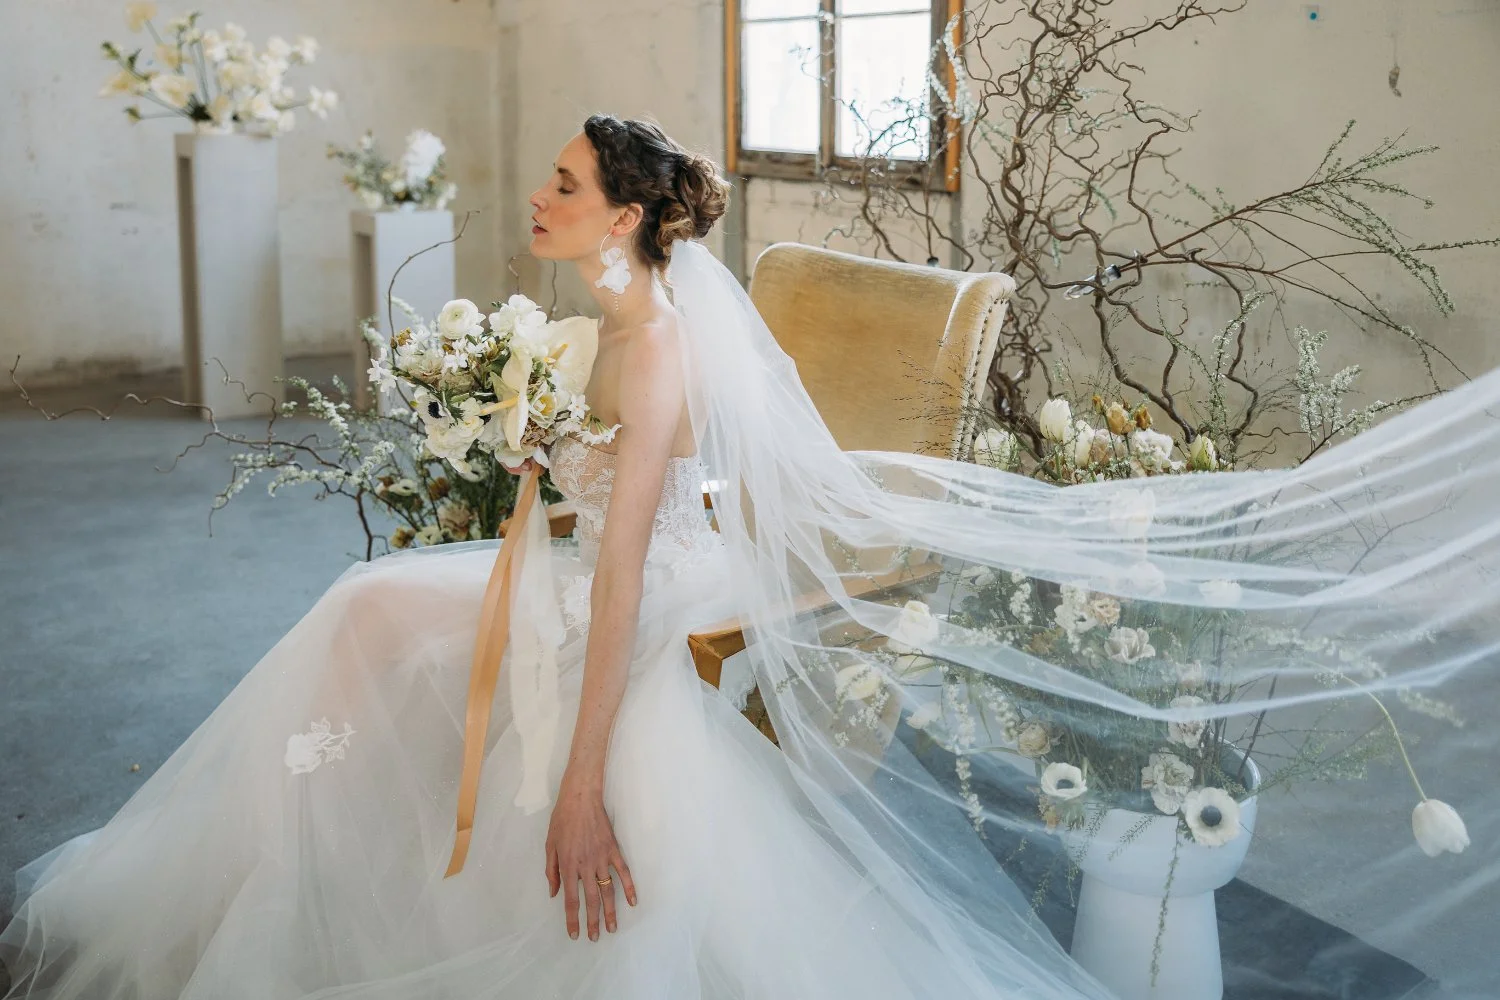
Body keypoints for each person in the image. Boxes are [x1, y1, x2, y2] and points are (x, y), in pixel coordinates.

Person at [3, 112, 1497, 999]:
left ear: (632, 217)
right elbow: (588, 500)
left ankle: (346, 890)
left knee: (367, 615)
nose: (539, 197)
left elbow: (629, 576)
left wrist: (581, 786)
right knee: (358, 616)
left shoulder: (651, 357)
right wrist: (534, 464)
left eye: (565, 188)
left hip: (632, 605)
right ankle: (297, 878)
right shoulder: (604, 320)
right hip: (596, 564)